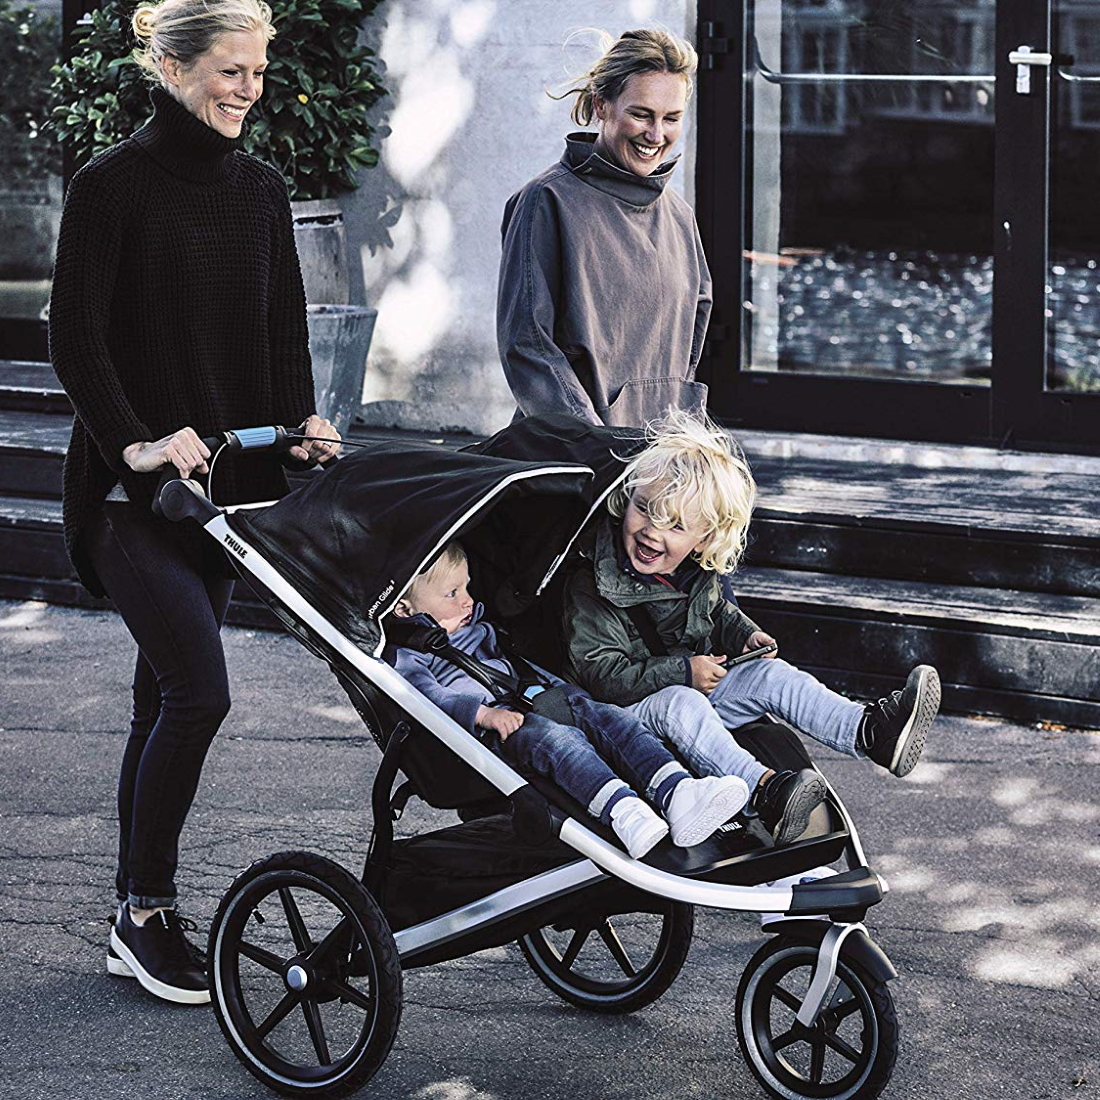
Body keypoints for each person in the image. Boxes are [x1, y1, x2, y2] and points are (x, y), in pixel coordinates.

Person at [48, 0, 340, 1006]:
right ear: (171, 68)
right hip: (130, 498)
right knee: (198, 692)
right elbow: (74, 338)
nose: (247, 90)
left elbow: (283, 326)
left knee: (160, 698)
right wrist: (134, 440)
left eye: (257, 72)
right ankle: (146, 911)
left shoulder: (259, 190)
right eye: (228, 70)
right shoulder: (108, 185)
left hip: (221, 497)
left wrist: (300, 420)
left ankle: (134, 908)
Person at [562, 411, 941, 782]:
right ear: (626, 499)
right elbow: (602, 677)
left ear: (703, 539)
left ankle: (870, 732)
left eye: (675, 525)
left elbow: (713, 610)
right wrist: (684, 672)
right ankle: (765, 789)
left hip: (685, 695)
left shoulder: (692, 570)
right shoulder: (592, 582)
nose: (652, 531)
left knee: (771, 675)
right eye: (644, 509)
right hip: (619, 718)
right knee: (683, 701)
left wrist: (743, 634)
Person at [384, 543, 763, 860]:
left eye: (467, 588)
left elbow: (521, 667)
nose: (468, 601)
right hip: (489, 736)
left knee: (611, 719)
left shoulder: (479, 631)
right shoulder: (410, 654)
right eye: (452, 594)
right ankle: (624, 813)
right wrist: (482, 714)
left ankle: (677, 791)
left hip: (533, 699)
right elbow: (425, 697)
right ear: (404, 608)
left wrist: (571, 694)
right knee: (561, 741)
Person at [497, 27, 712, 427]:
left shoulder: (680, 216)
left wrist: (679, 432)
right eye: (641, 114)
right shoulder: (546, 202)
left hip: (660, 451)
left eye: (671, 118)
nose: (656, 135)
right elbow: (527, 345)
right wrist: (593, 442)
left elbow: (691, 336)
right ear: (601, 105)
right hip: (575, 451)